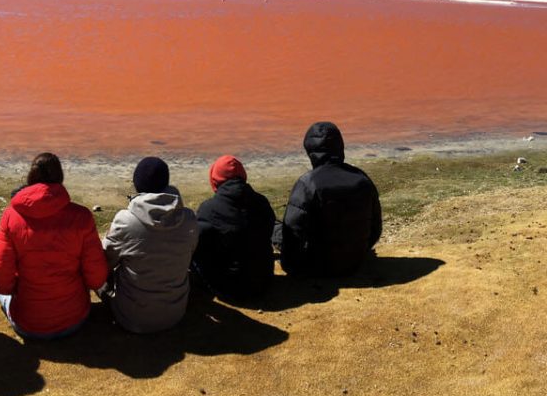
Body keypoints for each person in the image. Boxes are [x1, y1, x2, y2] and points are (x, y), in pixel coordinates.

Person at [0, 153, 107, 339]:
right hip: (74, 319)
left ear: (31, 177)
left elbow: (0, 282)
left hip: (27, 323)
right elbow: (96, 280)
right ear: (60, 177)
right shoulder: (82, 217)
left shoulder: (11, 216)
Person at [100, 157, 199, 333]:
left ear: (137, 186)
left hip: (131, 317)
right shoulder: (189, 219)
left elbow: (104, 262)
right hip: (175, 313)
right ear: (166, 185)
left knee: (97, 272)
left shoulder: (126, 221)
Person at [273, 122, 382, 276]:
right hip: (355, 261)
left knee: (274, 228)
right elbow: (376, 228)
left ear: (311, 152)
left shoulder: (307, 183)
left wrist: (290, 266)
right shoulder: (361, 178)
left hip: (319, 265)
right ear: (340, 147)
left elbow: (293, 233)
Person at [193, 155, 277, 300]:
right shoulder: (261, 201)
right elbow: (269, 230)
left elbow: (197, 245)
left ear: (215, 180)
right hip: (264, 279)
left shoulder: (209, 209)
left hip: (230, 287)